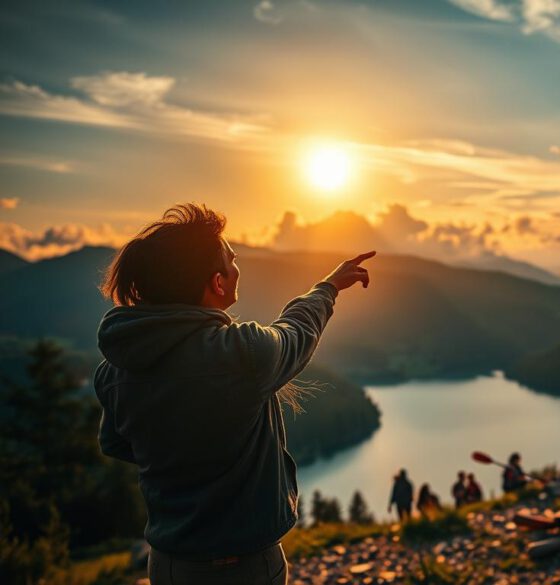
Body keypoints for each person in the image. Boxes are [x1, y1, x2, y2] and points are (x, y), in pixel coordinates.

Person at [93, 204, 375, 585]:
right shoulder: (241, 354)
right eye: (232, 260)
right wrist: (326, 288)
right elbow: (295, 333)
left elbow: (115, 443)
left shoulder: (114, 372)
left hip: (169, 565)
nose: (238, 266)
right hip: (245, 566)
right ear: (218, 283)